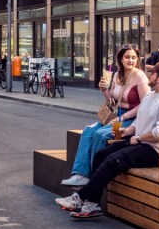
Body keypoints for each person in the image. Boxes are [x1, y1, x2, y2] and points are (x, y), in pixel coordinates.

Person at [56, 61, 159, 219]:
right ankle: (93, 204)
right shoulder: (151, 95)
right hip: (140, 142)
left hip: (154, 149)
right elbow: (139, 121)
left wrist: (138, 138)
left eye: (153, 73)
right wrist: (126, 131)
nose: (150, 75)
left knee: (114, 160)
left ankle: (80, 198)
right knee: (101, 155)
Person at [61, 45, 150, 187]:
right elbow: (113, 103)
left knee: (101, 135)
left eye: (134, 57)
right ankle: (80, 174)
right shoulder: (116, 75)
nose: (131, 60)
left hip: (132, 120)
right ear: (121, 59)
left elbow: (146, 103)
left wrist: (123, 117)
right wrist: (104, 90)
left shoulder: (139, 76)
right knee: (89, 130)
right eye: (127, 57)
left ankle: (94, 177)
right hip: (115, 117)